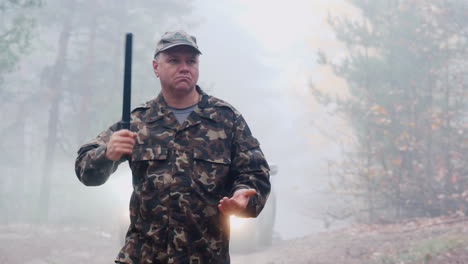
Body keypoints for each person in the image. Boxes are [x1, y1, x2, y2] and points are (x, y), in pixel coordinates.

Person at [75, 30, 271, 264]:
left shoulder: (226, 119)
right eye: (174, 60)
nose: (184, 67)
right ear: (156, 67)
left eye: (191, 61)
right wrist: (106, 154)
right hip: (143, 257)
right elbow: (85, 170)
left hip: (205, 257)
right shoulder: (138, 121)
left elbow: (255, 174)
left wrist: (243, 198)